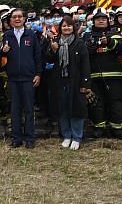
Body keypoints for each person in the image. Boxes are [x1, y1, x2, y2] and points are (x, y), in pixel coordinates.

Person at [47, 16, 91, 150]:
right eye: (64, 26)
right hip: (60, 81)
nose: (67, 28)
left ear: (74, 27)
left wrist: (85, 84)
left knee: (76, 109)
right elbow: (48, 59)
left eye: (69, 25)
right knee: (63, 109)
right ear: (60, 28)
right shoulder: (55, 41)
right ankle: (66, 135)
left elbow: (85, 65)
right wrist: (53, 50)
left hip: (76, 82)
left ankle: (77, 137)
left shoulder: (79, 43)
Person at [2, 7, 42, 149]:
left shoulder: (31, 35)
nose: (17, 19)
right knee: (15, 110)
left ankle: (30, 138)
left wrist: (38, 74)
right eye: (14, 17)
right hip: (13, 78)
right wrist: (3, 52)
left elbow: (37, 56)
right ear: (11, 20)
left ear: (24, 19)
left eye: (20, 16)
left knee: (29, 109)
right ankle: (16, 138)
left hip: (28, 78)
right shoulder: (7, 35)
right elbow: (2, 58)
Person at [85, 7, 122, 139]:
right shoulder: (87, 36)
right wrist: (93, 45)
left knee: (116, 103)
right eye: (98, 19)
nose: (101, 21)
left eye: (104, 19)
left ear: (108, 21)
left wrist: (108, 42)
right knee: (97, 103)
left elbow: (120, 48)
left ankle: (117, 128)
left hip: (114, 75)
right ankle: (99, 127)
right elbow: (84, 52)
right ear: (93, 21)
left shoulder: (114, 33)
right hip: (95, 76)